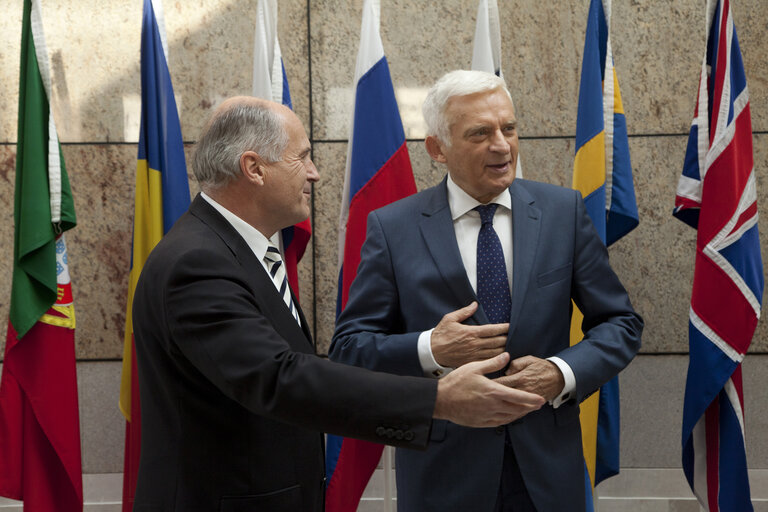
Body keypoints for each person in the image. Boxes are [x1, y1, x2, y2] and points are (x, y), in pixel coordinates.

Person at [130, 96, 545, 512]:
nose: (315, 174)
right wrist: (439, 399)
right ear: (254, 168)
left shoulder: (238, 249)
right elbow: (278, 378)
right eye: (303, 158)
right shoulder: (198, 263)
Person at [329, 70, 643, 512]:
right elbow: (349, 348)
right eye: (480, 133)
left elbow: (621, 323)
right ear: (437, 149)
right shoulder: (393, 228)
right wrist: (431, 349)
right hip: (444, 479)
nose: (501, 145)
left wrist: (560, 372)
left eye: (509, 128)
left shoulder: (562, 212)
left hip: (549, 476)